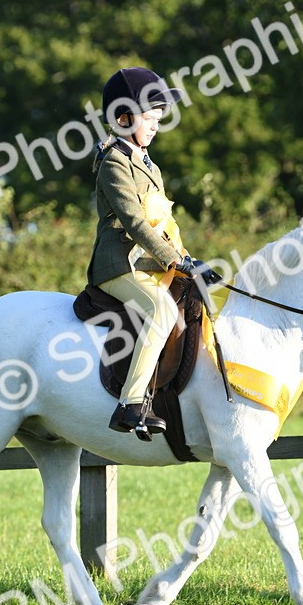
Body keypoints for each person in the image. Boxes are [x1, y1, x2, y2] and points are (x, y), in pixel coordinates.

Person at [88, 67, 221, 436]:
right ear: (124, 117)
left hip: (149, 261)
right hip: (119, 264)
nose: (155, 125)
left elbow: (163, 224)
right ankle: (129, 403)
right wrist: (174, 260)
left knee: (194, 298)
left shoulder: (150, 165)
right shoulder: (114, 162)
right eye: (149, 117)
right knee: (161, 308)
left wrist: (189, 260)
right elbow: (134, 223)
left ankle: (161, 399)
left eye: (158, 118)